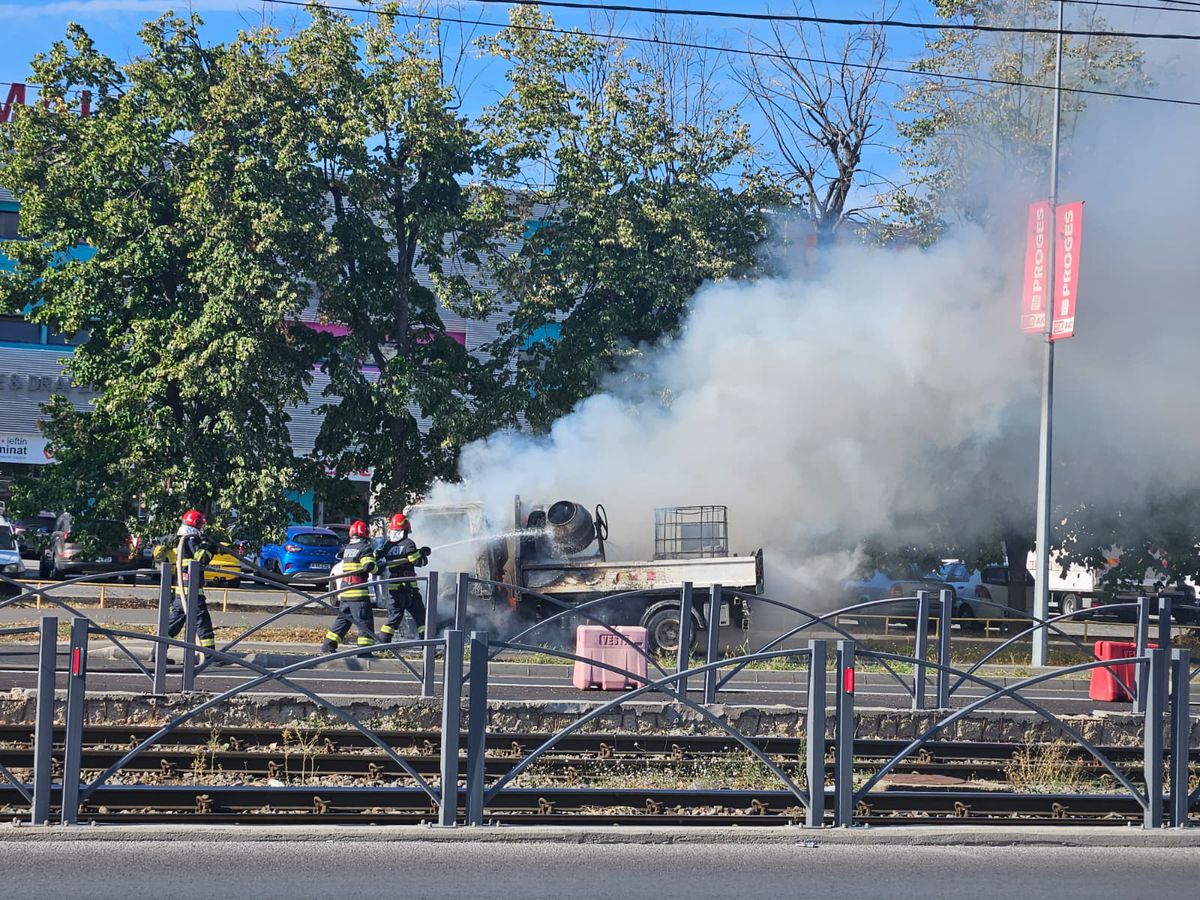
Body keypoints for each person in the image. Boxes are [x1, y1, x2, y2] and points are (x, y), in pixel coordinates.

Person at [322, 520, 381, 654]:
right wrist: (378, 567)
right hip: (358, 592)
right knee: (365, 622)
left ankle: (328, 646)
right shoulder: (365, 548)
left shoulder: (348, 548)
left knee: (343, 621)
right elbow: (369, 566)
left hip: (345, 591)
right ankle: (365, 651)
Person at [378, 512, 431, 644]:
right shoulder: (408, 543)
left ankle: (382, 645)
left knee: (393, 620)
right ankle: (427, 647)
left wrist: (419, 552)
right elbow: (417, 562)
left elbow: (378, 556)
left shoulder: (388, 545)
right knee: (421, 618)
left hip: (393, 589)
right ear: (406, 529)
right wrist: (423, 555)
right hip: (409, 590)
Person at [170, 508, 217, 653]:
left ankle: (157, 651)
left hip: (182, 591)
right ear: (195, 523)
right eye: (200, 524)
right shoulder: (191, 539)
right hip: (192, 592)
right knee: (202, 622)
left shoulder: (182, 539)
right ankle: (209, 655)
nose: (201, 527)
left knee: (173, 624)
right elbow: (201, 559)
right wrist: (210, 546)